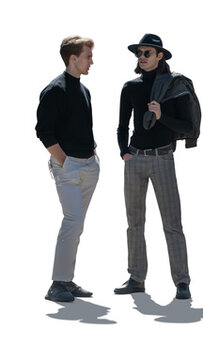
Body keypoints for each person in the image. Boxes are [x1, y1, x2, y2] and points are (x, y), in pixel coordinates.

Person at [115, 34, 198, 300]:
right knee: (134, 222)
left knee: (172, 223)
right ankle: (136, 278)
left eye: (147, 53)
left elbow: (188, 127)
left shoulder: (174, 87)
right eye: (139, 53)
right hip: (135, 159)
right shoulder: (130, 87)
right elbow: (122, 125)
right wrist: (124, 152)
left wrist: (162, 116)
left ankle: (182, 282)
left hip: (163, 158)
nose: (141, 57)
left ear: (160, 55)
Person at [37, 35, 99, 302]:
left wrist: (94, 155)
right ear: (72, 58)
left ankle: (67, 280)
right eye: (88, 56)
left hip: (89, 166)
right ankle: (57, 284)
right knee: (72, 223)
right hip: (70, 168)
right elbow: (44, 132)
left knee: (77, 226)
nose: (92, 61)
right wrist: (65, 162)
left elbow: (85, 127)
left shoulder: (84, 90)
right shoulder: (55, 90)